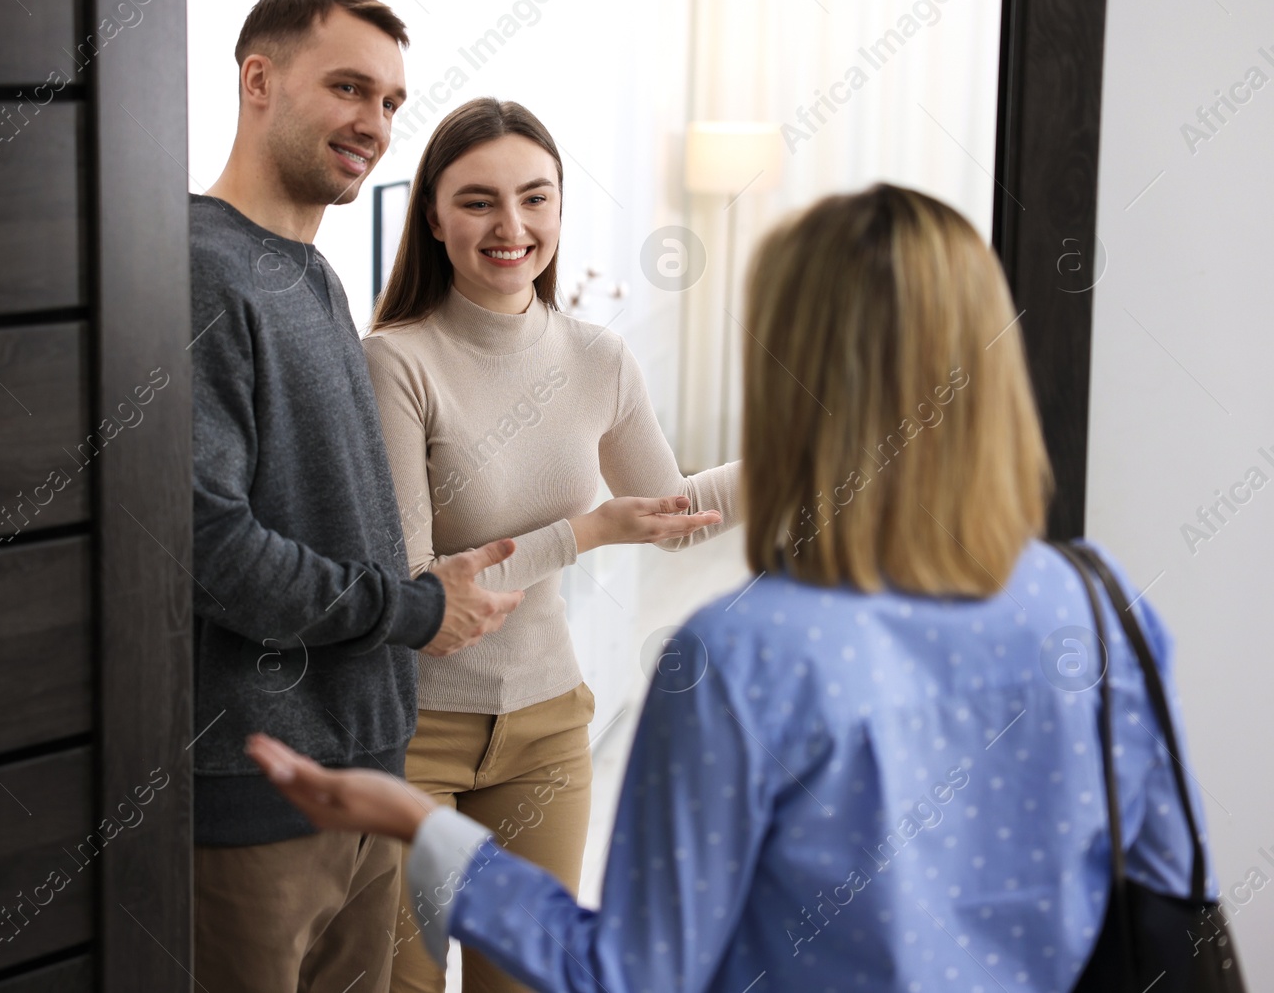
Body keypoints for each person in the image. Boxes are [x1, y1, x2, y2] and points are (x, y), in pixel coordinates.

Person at [246, 183, 1221, 992]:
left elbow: (624, 974)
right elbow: (1168, 887)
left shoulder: (745, 655)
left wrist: (419, 823)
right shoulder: (1099, 605)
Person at [359, 97, 742, 993]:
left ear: (561, 210)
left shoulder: (598, 357)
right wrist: (586, 532)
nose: (512, 226)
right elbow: (416, 590)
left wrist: (808, 457)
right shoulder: (396, 363)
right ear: (434, 217)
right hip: (416, 740)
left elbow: (672, 514)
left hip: (546, 732)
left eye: (536, 198)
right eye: (480, 201)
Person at [189, 0, 526, 993]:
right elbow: (212, 545)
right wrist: (415, 608)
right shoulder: (198, 269)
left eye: (388, 101)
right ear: (259, 79)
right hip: (257, 794)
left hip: (370, 768)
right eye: (348, 87)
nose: (374, 122)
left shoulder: (315, 272)